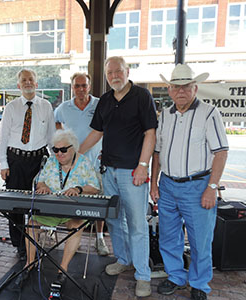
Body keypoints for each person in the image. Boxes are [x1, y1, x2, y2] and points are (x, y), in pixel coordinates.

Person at [79, 56, 157, 297]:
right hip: (108, 171)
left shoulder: (142, 96)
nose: (114, 75)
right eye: (109, 72)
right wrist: (76, 155)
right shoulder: (104, 100)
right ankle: (124, 259)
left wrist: (143, 165)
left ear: (127, 71)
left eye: (118, 71)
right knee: (114, 219)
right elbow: (97, 132)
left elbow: (150, 133)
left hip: (133, 172)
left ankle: (142, 275)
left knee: (137, 224)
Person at [150, 64, 228, 300]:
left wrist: (211, 188)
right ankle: (175, 276)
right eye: (176, 86)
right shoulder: (165, 115)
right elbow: (157, 153)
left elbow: (221, 152)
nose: (181, 91)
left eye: (186, 86)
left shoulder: (209, 112)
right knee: (169, 236)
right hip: (168, 185)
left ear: (194, 88)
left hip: (198, 186)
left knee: (200, 240)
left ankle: (199, 283)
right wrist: (154, 184)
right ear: (170, 90)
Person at [20, 129, 100, 284]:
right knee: (31, 224)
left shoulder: (83, 162)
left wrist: (78, 189)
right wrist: (42, 187)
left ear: (73, 148)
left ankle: (62, 268)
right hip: (51, 209)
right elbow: (41, 180)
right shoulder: (51, 161)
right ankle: (30, 263)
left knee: (77, 226)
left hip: (73, 211)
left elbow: (95, 187)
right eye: (55, 150)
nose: (59, 154)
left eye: (63, 149)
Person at [0, 69, 55, 261]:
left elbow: (51, 137)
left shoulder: (46, 106)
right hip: (16, 160)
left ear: (37, 84)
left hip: (38, 161)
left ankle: (35, 242)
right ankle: (20, 245)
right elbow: (3, 137)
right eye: (24, 80)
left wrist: (55, 163)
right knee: (16, 206)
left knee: (37, 204)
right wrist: (4, 163)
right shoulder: (11, 107)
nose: (28, 82)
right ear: (18, 85)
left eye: (31, 79)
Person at [54, 72, 109, 256]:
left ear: (89, 86)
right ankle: (74, 238)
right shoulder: (63, 108)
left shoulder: (100, 104)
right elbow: (56, 125)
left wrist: (106, 150)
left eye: (83, 85)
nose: (80, 89)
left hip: (96, 162)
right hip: (74, 166)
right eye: (77, 86)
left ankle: (99, 237)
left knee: (99, 202)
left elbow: (108, 128)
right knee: (74, 201)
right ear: (72, 88)